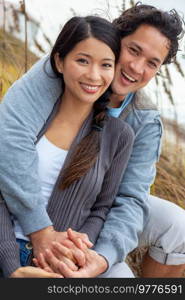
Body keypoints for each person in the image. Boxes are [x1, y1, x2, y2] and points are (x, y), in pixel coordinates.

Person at [0, 3, 185, 278]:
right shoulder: (57, 72)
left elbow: (129, 199)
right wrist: (41, 231)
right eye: (133, 50)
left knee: (176, 224)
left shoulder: (143, 122)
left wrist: (100, 257)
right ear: (115, 39)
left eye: (151, 63)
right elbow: (11, 140)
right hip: (35, 208)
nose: (136, 67)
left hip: (91, 215)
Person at [0, 15, 135, 277]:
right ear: (59, 62)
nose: (94, 75)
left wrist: (74, 253)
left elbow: (101, 209)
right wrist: (12, 267)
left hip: (62, 264)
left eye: (105, 64)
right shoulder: (30, 118)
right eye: (82, 60)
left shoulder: (119, 136)